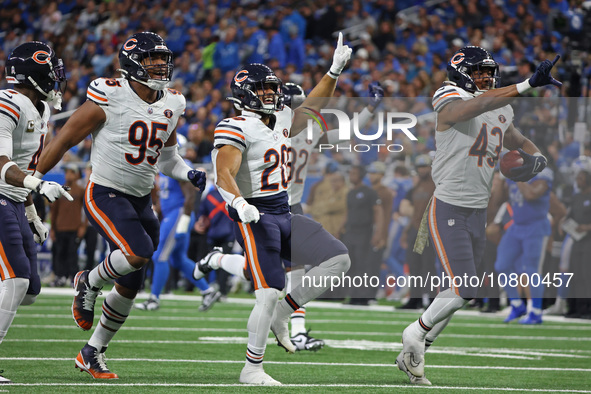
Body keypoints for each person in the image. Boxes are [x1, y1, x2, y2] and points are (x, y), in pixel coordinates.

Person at [34, 32, 206, 379]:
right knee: (138, 252)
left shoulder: (172, 102)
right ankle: (88, 280)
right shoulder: (109, 94)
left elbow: (168, 159)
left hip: (142, 199)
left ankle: (91, 352)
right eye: (151, 59)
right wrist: (32, 179)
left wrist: (188, 173)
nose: (160, 65)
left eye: (162, 59)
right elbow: (65, 139)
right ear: (132, 64)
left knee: (131, 282)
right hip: (105, 193)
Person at [396, 46, 561, 385]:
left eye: (489, 72)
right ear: (460, 73)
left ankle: (417, 351)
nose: (486, 78)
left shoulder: (501, 107)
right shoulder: (448, 94)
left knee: (458, 290)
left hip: (478, 209)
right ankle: (414, 334)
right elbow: (476, 106)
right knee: (462, 288)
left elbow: (516, 138)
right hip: (449, 204)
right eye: (479, 72)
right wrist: (527, 84)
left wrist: (537, 159)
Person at [212, 33, 352, 385]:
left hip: (284, 210)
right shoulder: (235, 126)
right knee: (267, 290)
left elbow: (312, 109)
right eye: (264, 90)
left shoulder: (282, 118)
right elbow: (222, 174)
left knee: (338, 259)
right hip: (255, 214)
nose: (272, 95)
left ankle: (284, 312)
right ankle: (252, 368)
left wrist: (333, 72)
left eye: (273, 89)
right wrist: (239, 203)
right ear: (245, 94)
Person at [0, 41, 71, 384]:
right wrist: (39, 186)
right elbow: (1, 163)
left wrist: (32, 213)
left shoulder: (40, 107)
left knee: (29, 292)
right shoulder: (7, 104)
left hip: (14, 199)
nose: (56, 77)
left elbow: (25, 163)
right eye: (50, 70)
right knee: (16, 279)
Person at [134, 138, 221, 312]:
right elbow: (166, 194)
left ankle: (154, 299)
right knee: (179, 259)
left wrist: (184, 221)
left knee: (160, 256)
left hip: (179, 214)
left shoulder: (180, 164)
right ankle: (208, 291)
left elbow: (190, 196)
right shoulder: (163, 165)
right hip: (172, 214)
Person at [495, 157, 553, 325]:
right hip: (517, 226)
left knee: (531, 270)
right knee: (502, 265)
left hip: (535, 226)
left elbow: (531, 194)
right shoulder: (512, 175)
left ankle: (535, 312)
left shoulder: (543, 173)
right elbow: (498, 200)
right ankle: (516, 304)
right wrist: (501, 179)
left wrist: (517, 176)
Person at [398, 155, 436, 309]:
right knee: (414, 266)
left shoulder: (436, 185)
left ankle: (431, 299)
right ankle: (415, 298)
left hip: (428, 230)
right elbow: (412, 212)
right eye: (420, 167)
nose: (422, 170)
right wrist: (406, 231)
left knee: (428, 267)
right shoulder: (417, 187)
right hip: (415, 229)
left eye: (425, 167)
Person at [49, 163, 87, 286]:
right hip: (60, 227)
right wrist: (53, 229)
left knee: (72, 254)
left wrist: (83, 226)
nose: (68, 175)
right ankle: (60, 276)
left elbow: (86, 210)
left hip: (74, 227)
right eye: (67, 172)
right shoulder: (59, 190)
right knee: (59, 253)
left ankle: (73, 277)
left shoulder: (81, 191)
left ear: (76, 175)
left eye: (71, 172)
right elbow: (53, 211)